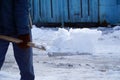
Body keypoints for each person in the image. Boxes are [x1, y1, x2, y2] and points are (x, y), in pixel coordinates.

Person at [0, 0, 35, 80]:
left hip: (20, 30)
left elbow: (22, 5)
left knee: (26, 70)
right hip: (16, 30)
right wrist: (24, 32)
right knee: (27, 71)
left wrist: (23, 32)